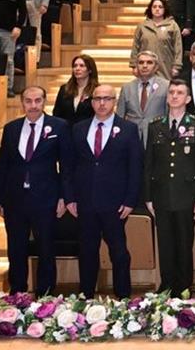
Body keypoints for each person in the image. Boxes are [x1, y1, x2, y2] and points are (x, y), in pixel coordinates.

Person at [0, 86, 72, 296]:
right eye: (28, 101)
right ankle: (18, 293)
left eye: (37, 101)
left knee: (46, 247)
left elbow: (66, 165)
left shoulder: (59, 126)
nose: (33, 105)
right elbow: (3, 165)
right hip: (15, 199)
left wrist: (64, 196)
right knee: (15, 248)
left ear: (44, 102)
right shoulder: (11, 128)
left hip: (46, 197)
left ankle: (46, 295)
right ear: (22, 103)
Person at [66, 84, 142, 298]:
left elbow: (135, 167)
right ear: (91, 102)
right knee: (86, 251)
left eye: (107, 99)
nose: (102, 103)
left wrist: (130, 200)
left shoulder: (128, 129)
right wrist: (69, 197)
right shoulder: (78, 129)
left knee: (119, 253)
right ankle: (86, 296)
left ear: (114, 102)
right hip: (85, 201)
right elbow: (69, 166)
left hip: (115, 203)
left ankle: (123, 297)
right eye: (97, 99)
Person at [142, 80, 195, 296]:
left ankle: (183, 288)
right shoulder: (156, 125)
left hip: (186, 194)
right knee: (165, 243)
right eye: (171, 92)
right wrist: (148, 196)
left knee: (184, 243)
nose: (174, 96)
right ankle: (167, 285)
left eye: (179, 93)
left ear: (188, 99)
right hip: (162, 194)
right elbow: (149, 163)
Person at [116, 51, 167, 141]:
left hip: (157, 137)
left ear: (156, 67)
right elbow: (120, 117)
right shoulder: (127, 88)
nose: (145, 66)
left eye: (149, 62)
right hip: (131, 137)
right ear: (136, 66)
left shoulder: (166, 86)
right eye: (141, 62)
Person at [133, 0, 184, 80]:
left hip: (165, 66)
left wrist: (177, 66)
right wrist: (134, 65)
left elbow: (178, 47)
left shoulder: (172, 26)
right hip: (145, 66)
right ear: (150, 9)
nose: (157, 9)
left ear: (165, 9)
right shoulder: (142, 26)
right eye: (154, 7)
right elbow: (135, 46)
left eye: (160, 7)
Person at [53, 54, 98, 125]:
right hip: (66, 129)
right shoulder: (64, 89)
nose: (77, 68)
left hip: (86, 129)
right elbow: (56, 114)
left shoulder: (97, 90)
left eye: (82, 66)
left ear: (90, 70)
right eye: (75, 66)